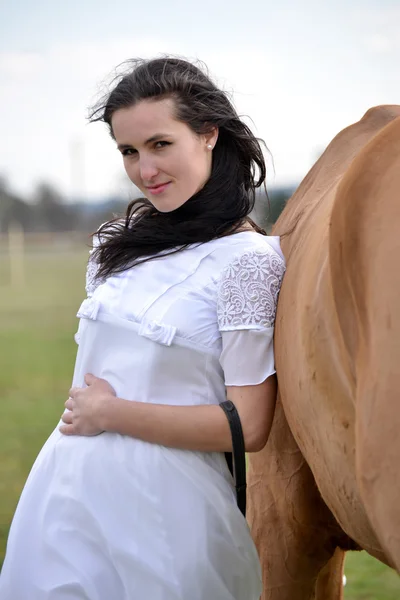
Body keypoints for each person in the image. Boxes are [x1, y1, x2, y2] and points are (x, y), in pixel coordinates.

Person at [0, 57, 286, 600]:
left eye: (159, 144)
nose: (144, 169)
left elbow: (248, 427)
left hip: (169, 517)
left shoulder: (249, 263)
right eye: (128, 151)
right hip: (65, 496)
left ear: (208, 135)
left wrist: (111, 414)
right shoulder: (116, 241)